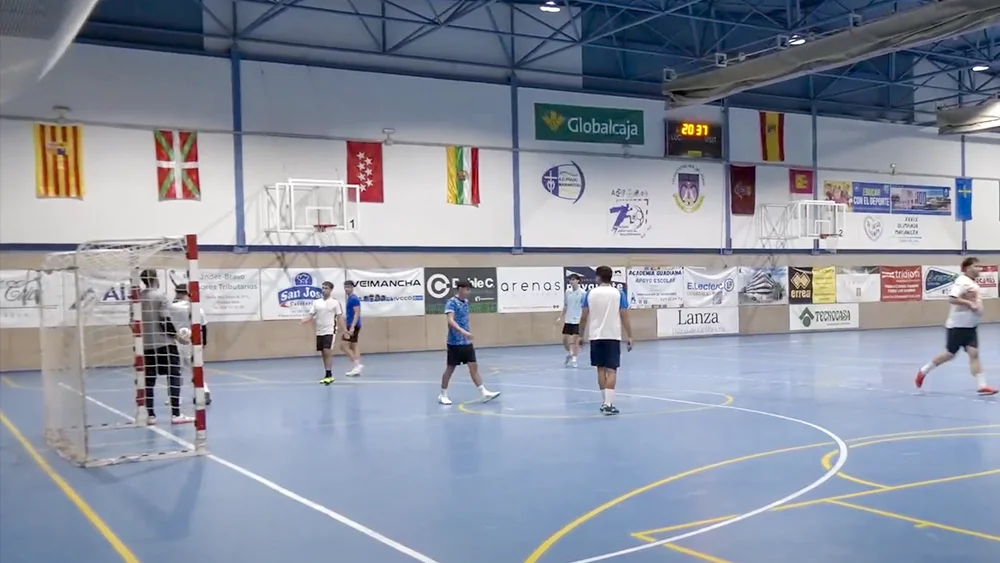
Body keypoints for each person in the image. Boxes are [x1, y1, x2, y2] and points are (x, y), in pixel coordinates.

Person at [916, 257, 997, 396]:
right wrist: (969, 303)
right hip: (958, 326)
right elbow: (952, 298)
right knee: (949, 354)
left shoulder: (973, 283)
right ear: (968, 268)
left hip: (971, 327)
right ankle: (923, 370)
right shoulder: (962, 281)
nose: (980, 269)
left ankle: (982, 385)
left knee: (974, 354)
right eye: (976, 266)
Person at [138, 269, 193, 425]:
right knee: (174, 376)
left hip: (147, 346)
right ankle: (176, 414)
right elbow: (164, 320)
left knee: (149, 381)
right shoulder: (161, 297)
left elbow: (133, 324)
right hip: (165, 344)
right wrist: (176, 336)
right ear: (155, 279)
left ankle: (151, 416)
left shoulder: (137, 299)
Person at [579, 265, 633, 415]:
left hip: (595, 336)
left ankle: (604, 402)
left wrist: (580, 335)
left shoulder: (590, 293)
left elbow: (583, 317)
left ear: (598, 277)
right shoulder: (618, 293)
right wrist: (629, 335)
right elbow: (624, 315)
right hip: (612, 336)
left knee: (600, 370)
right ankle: (608, 403)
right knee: (612, 370)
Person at [438, 280, 500, 405]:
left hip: (466, 343)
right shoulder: (451, 303)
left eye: (469, 290)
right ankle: (443, 394)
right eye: (466, 289)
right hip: (454, 343)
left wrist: (466, 334)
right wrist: (463, 332)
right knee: (450, 368)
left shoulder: (466, 303)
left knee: (473, 367)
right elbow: (450, 320)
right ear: (460, 289)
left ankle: (483, 393)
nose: (468, 292)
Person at [166, 284, 211, 406]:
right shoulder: (196, 309)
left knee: (176, 371)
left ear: (177, 293)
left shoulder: (170, 307)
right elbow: (204, 327)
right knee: (196, 369)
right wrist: (204, 343)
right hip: (194, 343)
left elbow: (166, 324)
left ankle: (175, 397)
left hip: (176, 342)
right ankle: (203, 392)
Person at [301, 281, 343, 385]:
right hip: (319, 331)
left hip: (330, 330)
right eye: (323, 287)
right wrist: (305, 319)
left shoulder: (335, 302)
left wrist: (345, 329)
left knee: (327, 350)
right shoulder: (316, 302)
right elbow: (311, 314)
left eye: (326, 288)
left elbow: (339, 316)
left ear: (331, 290)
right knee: (323, 353)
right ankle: (327, 373)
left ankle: (329, 374)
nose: (324, 290)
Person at [556, 274, 586, 367]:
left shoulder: (582, 293)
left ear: (578, 281)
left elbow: (584, 307)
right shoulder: (567, 292)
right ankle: (570, 353)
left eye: (573, 280)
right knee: (565, 339)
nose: (571, 281)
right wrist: (561, 317)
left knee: (574, 340)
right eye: (570, 280)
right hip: (568, 319)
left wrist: (583, 319)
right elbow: (565, 305)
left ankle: (574, 358)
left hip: (577, 319)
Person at [341, 280, 364, 377]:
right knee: (354, 346)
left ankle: (357, 365)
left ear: (352, 287)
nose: (347, 289)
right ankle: (357, 367)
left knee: (343, 346)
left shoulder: (354, 299)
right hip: (350, 324)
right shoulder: (349, 298)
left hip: (352, 325)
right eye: (345, 287)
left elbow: (357, 313)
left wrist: (352, 327)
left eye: (348, 287)